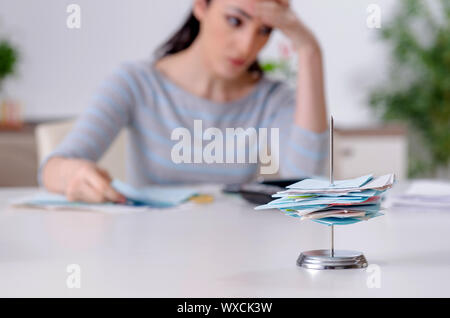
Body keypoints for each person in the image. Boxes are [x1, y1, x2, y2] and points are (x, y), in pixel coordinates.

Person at [40, 0, 329, 203]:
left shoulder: (271, 99)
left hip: (235, 255)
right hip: (149, 254)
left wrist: (309, 50)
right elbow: (52, 170)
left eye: (265, 30)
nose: (247, 45)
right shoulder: (137, 83)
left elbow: (306, 186)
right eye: (234, 21)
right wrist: (73, 175)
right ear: (201, 6)